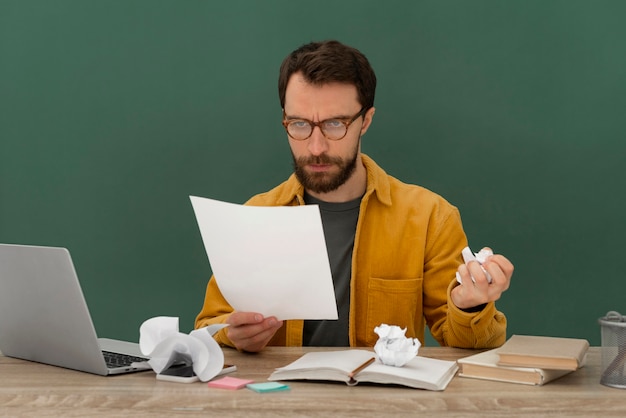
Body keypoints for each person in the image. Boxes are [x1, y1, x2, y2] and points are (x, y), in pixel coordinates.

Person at [195, 40, 514, 352]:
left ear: (366, 121)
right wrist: (231, 335)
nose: (316, 147)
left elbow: (469, 342)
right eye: (299, 124)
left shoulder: (430, 218)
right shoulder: (256, 216)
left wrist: (468, 305)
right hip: (278, 400)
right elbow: (208, 327)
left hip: (382, 403)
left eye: (335, 124)